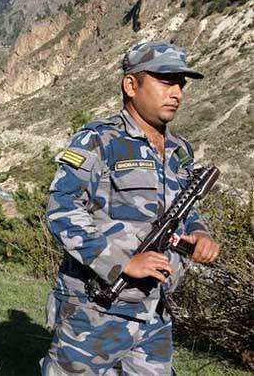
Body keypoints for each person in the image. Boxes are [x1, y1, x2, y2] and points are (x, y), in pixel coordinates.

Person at [40, 41, 221, 375]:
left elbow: (183, 207)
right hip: (95, 312)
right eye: (166, 80)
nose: (177, 92)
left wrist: (199, 233)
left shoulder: (180, 150)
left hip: (154, 310)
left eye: (181, 83)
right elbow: (61, 209)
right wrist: (121, 262)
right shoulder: (98, 140)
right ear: (131, 85)